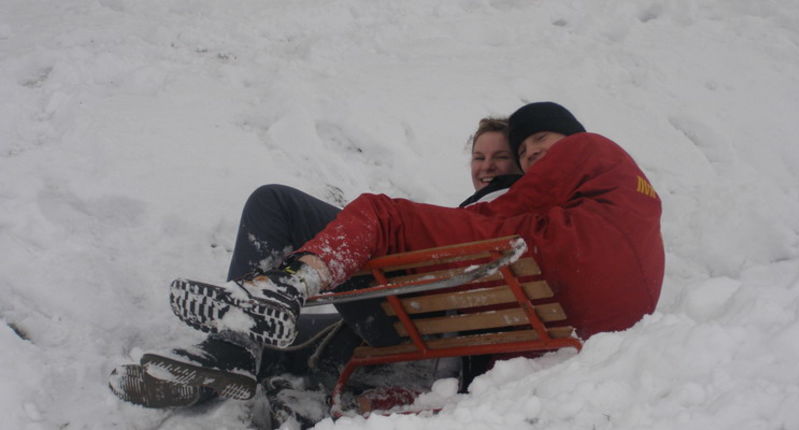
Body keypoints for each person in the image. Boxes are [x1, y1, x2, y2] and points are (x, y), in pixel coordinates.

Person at [110, 116, 522, 426]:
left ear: (522, 161)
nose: (486, 166)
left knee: (275, 204)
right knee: (285, 336)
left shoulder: (504, 211)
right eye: (479, 156)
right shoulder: (488, 212)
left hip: (407, 319)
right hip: (405, 320)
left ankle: (229, 349)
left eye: (500, 156)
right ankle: (205, 376)